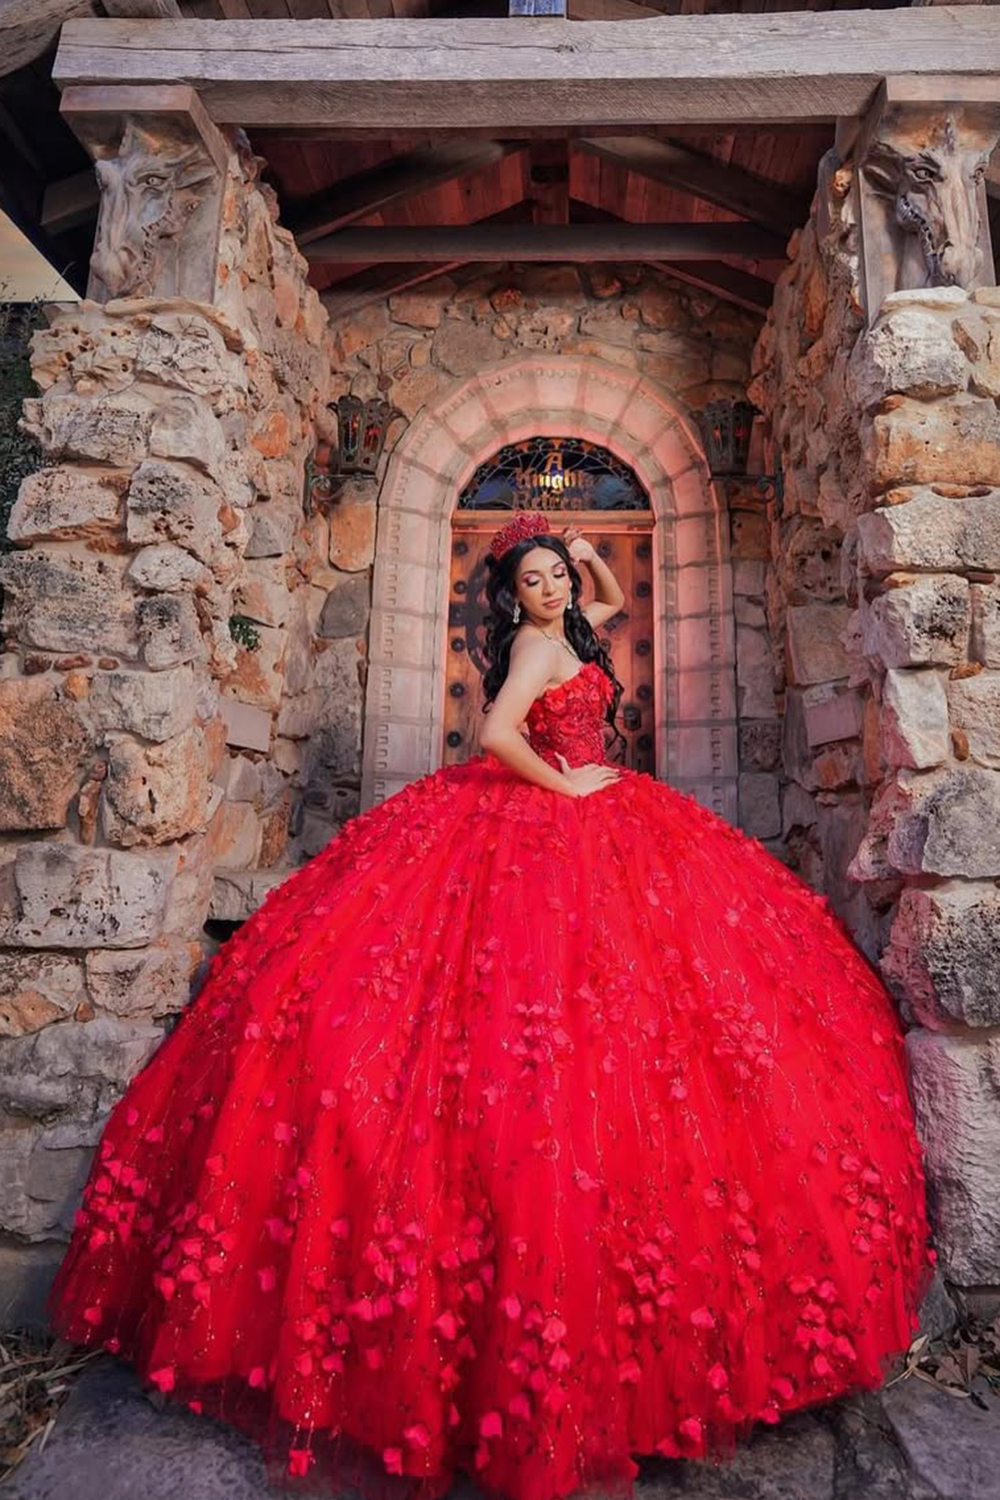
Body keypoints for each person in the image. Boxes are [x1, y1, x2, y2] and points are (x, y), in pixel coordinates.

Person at [47, 509, 935, 1500]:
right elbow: (493, 734)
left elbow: (595, 594)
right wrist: (565, 791)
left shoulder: (568, 623)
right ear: (511, 594)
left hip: (595, 810)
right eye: (535, 578)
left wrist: (562, 545)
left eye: (557, 574)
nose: (554, 588)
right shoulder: (529, 643)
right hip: (550, 811)